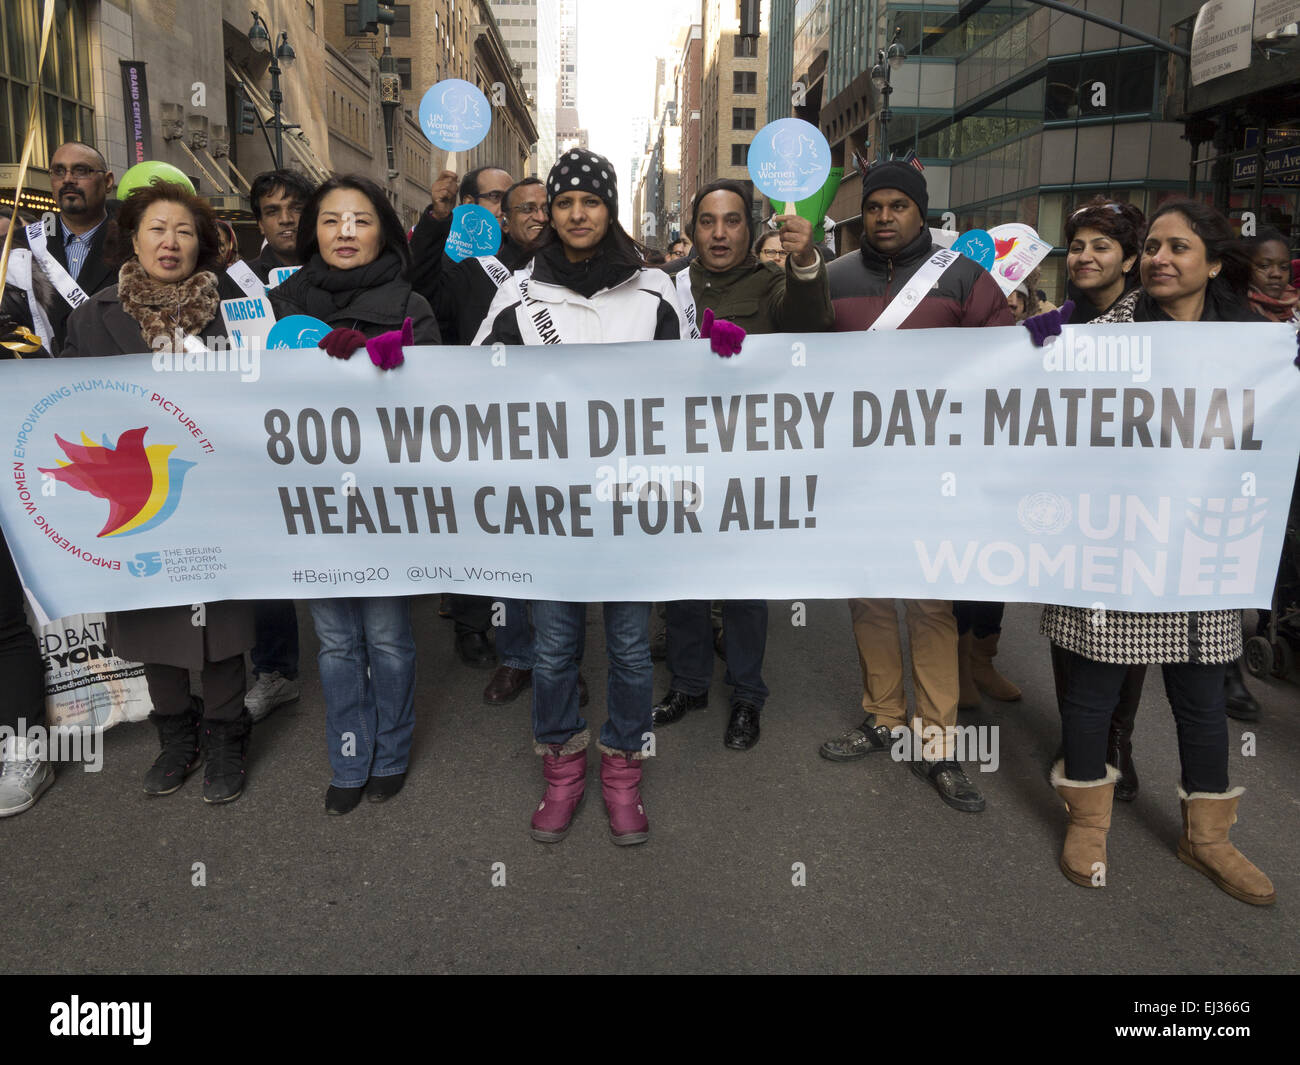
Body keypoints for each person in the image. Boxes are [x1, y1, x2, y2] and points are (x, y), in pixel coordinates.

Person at [1025, 199, 1275, 905]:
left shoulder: (1255, 342)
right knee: (1094, 689)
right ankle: (1087, 821)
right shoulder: (1098, 336)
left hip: (1206, 544)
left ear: (1214, 264)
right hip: (1112, 539)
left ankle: (1209, 837)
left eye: (1180, 247)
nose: (1161, 257)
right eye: (1155, 246)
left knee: (1200, 694)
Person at [478, 148, 692, 846]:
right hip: (551, 508)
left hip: (629, 505)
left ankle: (624, 767)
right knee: (554, 647)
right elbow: (476, 383)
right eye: (563, 201)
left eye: (590, 202)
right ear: (549, 212)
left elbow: (686, 394)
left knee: (630, 649)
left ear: (610, 211)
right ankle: (562, 766)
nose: (575, 213)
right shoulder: (519, 295)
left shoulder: (654, 293)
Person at [817, 159, 1013, 813]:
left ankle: (937, 742)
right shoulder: (833, 279)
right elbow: (800, 366)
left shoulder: (964, 276)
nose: (884, 216)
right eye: (875, 206)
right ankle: (883, 715)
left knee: (932, 604)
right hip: (858, 471)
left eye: (898, 205)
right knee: (870, 600)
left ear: (920, 211)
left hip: (937, 474)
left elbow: (1003, 358)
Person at [60, 180, 255, 804]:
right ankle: (176, 733)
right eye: (157, 229)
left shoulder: (233, 310)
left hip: (214, 489)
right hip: (135, 494)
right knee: (148, 610)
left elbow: (264, 390)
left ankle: (227, 730)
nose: (170, 243)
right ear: (134, 237)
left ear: (202, 244)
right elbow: (64, 402)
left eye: (184, 231)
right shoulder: (95, 314)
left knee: (218, 616)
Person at [269, 175, 439, 816]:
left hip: (385, 501)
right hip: (311, 502)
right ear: (312, 228)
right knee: (336, 639)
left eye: (361, 220)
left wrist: (380, 359)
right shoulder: (280, 305)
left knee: (388, 635)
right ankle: (348, 756)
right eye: (332, 220)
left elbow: (440, 406)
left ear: (383, 231)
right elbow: (250, 396)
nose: (346, 232)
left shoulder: (411, 304)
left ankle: (390, 754)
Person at [654, 179, 834, 750]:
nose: (720, 232)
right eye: (708, 221)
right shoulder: (668, 289)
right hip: (680, 457)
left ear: (750, 230)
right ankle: (688, 684)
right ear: (693, 230)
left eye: (732, 221)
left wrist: (805, 260)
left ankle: (748, 695)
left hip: (747, 460)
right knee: (682, 583)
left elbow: (809, 324)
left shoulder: (772, 284)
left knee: (743, 589)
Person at [408, 164, 519, 671]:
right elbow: (418, 288)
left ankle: (526, 632)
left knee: (522, 524)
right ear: (471, 205)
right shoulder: (460, 265)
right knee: (473, 522)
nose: (505, 208)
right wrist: (437, 218)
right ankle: (472, 624)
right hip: (470, 416)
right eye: (494, 198)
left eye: (510, 199)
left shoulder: (536, 263)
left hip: (529, 418)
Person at [241, 168, 318, 723]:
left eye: (295, 207)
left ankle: (362, 652)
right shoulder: (236, 281)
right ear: (259, 220)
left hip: (337, 434)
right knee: (266, 555)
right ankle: (275, 669)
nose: (286, 218)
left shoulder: (337, 264)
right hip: (264, 435)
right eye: (273, 209)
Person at [22, 142, 120, 350]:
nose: (67, 179)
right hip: (39, 375)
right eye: (58, 171)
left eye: (81, 171)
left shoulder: (136, 244)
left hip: (117, 374)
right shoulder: (20, 245)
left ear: (108, 181)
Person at [1063, 196, 1145, 323]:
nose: (1084, 258)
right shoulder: (1056, 323)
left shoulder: (1151, 320)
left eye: (1100, 247)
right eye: (1077, 248)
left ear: (1128, 261)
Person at [247, 168, 317, 283]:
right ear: (260, 224)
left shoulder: (337, 272)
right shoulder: (236, 282)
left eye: (297, 209)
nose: (285, 219)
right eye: (272, 212)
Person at [1246, 226, 1297, 323]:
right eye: (1264, 266)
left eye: (1284, 267)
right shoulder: (1233, 310)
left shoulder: (1296, 307)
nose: (1277, 274)